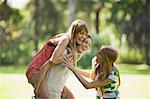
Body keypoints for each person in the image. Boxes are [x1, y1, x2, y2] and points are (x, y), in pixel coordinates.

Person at [26, 19, 89, 99]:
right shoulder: (65, 39)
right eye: (81, 33)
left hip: (46, 70)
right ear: (74, 32)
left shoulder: (70, 43)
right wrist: (70, 55)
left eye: (85, 34)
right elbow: (54, 60)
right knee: (45, 96)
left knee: (70, 97)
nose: (83, 37)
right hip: (36, 69)